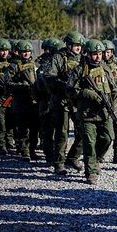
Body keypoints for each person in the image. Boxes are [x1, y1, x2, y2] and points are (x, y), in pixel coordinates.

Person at [66, 39, 117, 185]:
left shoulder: (105, 68)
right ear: (87, 54)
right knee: (89, 142)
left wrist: (114, 108)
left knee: (108, 138)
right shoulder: (79, 69)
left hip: (104, 112)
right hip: (87, 113)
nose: (98, 57)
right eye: (95, 54)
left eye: (100, 54)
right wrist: (86, 93)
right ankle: (91, 172)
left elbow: (114, 90)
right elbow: (69, 89)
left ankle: (95, 160)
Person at [44, 31, 85, 175]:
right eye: (75, 45)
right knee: (62, 134)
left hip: (77, 102)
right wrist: (64, 85)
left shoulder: (83, 59)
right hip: (61, 102)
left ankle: (73, 157)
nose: (78, 48)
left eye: (80, 45)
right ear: (68, 44)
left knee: (82, 132)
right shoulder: (58, 57)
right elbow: (48, 77)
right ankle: (59, 163)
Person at [5, 40, 40, 161]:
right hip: (20, 102)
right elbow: (8, 84)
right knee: (23, 129)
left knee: (34, 130)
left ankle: (32, 150)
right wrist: (22, 86)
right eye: (24, 52)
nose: (26, 54)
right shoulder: (13, 67)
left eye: (28, 52)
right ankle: (25, 151)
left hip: (34, 103)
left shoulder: (35, 66)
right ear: (19, 53)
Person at [102, 39, 117, 164]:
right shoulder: (98, 65)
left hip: (116, 102)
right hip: (102, 102)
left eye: (109, 52)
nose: (107, 55)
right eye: (104, 52)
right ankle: (99, 153)